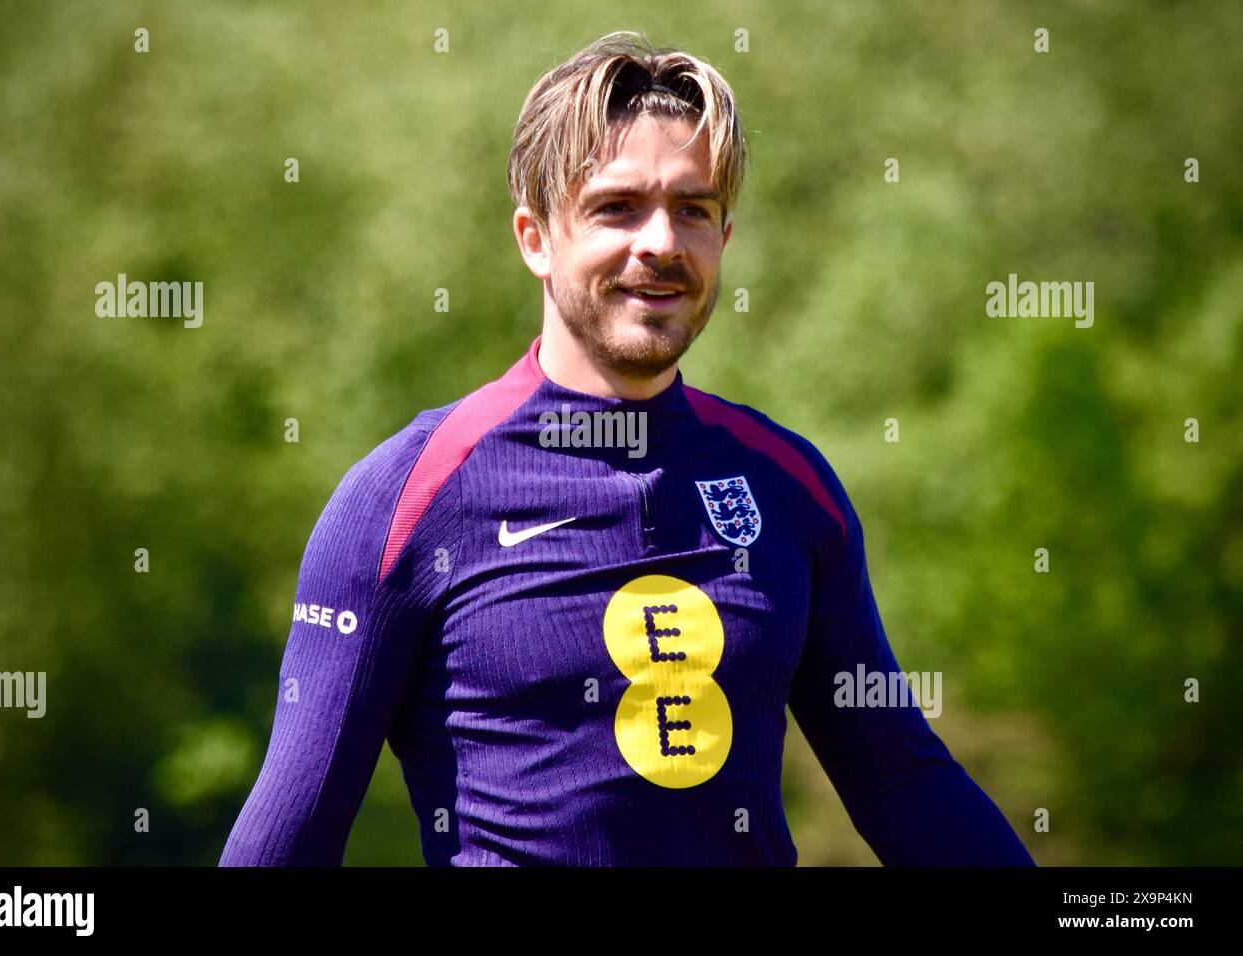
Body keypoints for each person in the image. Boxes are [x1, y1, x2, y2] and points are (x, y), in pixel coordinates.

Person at [219, 31, 1034, 866]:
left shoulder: (790, 485)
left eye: (694, 210)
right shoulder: (407, 498)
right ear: (535, 237)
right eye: (617, 207)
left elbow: (903, 784)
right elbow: (292, 833)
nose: (662, 243)